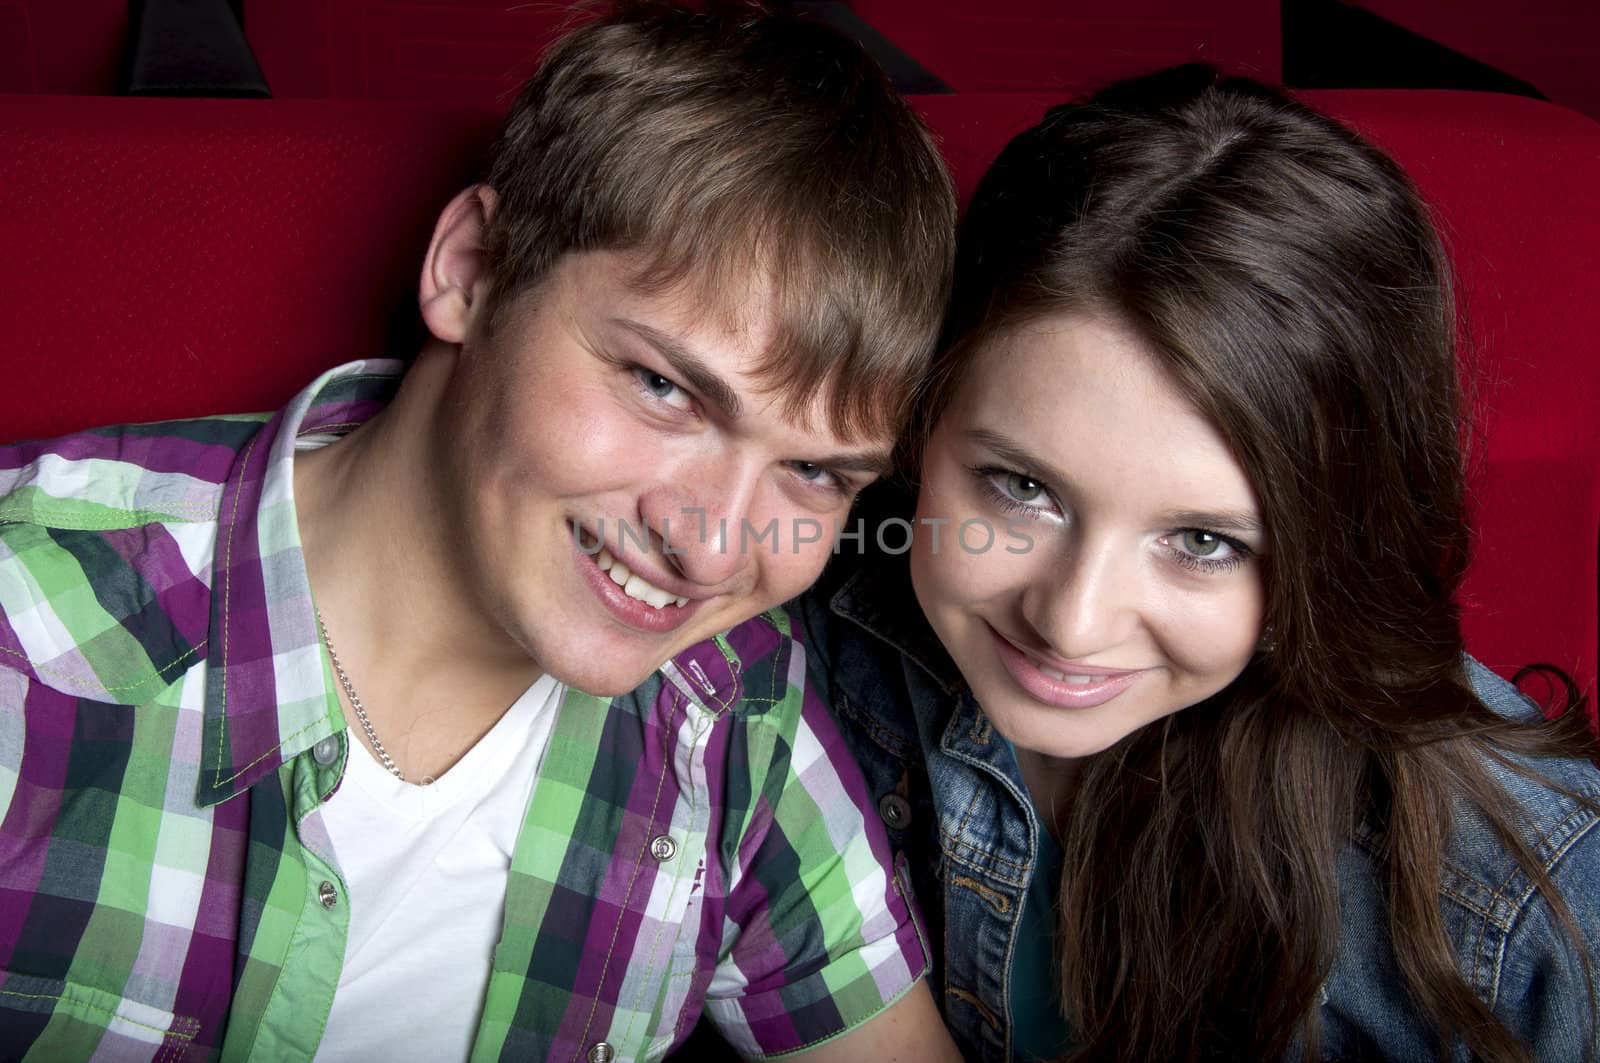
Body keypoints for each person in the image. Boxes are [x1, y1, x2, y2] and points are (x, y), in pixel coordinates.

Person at [0, 3, 961, 1060]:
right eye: (663, 388)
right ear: (471, 269)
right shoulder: (29, 625)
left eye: (814, 471)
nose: (716, 547)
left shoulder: (735, 712)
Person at [797, 66, 1600, 1061]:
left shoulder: (1518, 896)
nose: (1072, 621)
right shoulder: (795, 627)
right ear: (924, 417)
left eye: (1203, 543)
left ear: (1329, 545)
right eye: (1021, 487)